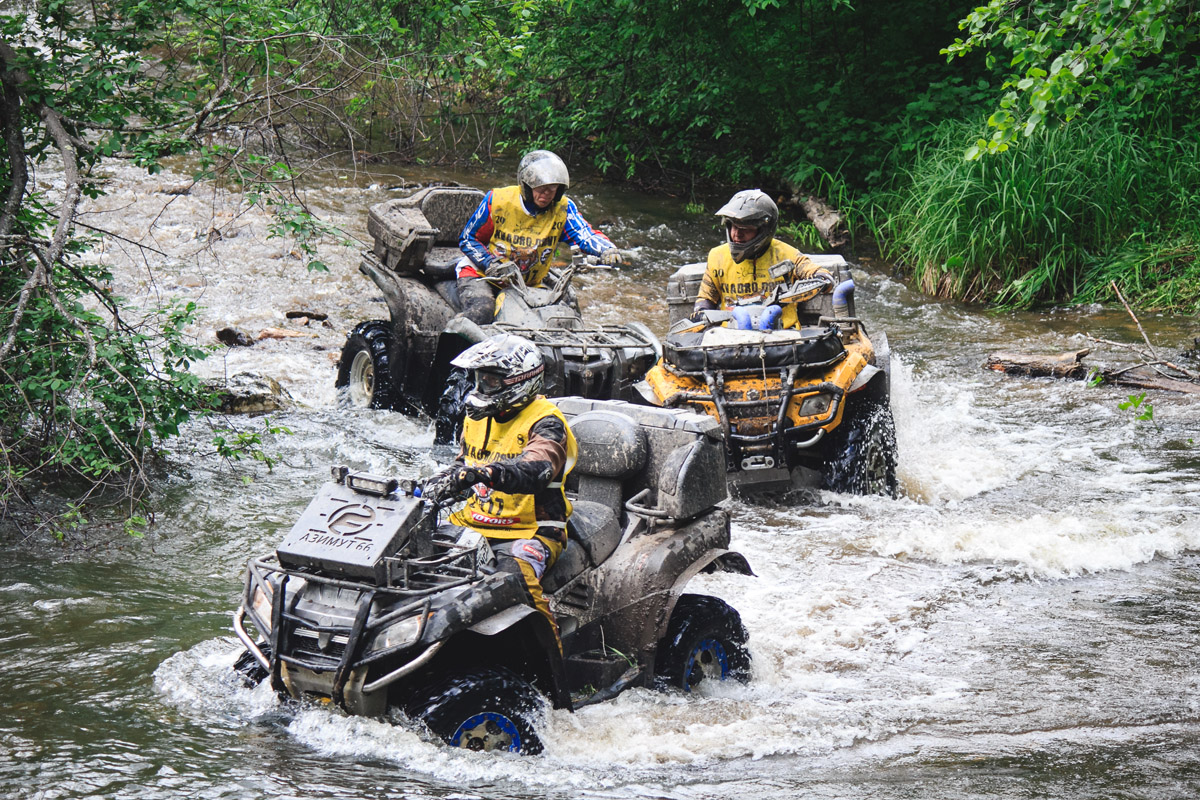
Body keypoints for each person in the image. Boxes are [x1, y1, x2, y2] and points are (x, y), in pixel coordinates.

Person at [423, 334, 577, 647]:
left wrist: (487, 473)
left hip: (532, 531)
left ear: (520, 381)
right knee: (416, 556)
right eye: (480, 380)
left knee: (515, 577)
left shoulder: (548, 422)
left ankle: (554, 663)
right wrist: (437, 484)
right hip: (473, 522)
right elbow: (464, 465)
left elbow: (538, 468)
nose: (481, 389)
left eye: (491, 381)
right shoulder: (475, 418)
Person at [455, 150, 623, 325]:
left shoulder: (563, 208)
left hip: (530, 283)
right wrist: (490, 263)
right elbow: (468, 238)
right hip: (483, 275)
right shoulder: (498, 201)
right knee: (482, 311)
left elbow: (584, 234)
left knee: (569, 310)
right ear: (526, 185)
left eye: (552, 189)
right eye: (540, 188)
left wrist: (606, 249)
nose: (546, 194)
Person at [692, 189, 835, 320]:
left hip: (784, 338)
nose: (736, 234)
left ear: (764, 230)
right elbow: (706, 298)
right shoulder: (717, 256)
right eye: (733, 226)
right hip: (731, 337)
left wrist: (821, 279)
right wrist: (702, 312)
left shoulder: (787, 255)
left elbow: (814, 271)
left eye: (745, 229)